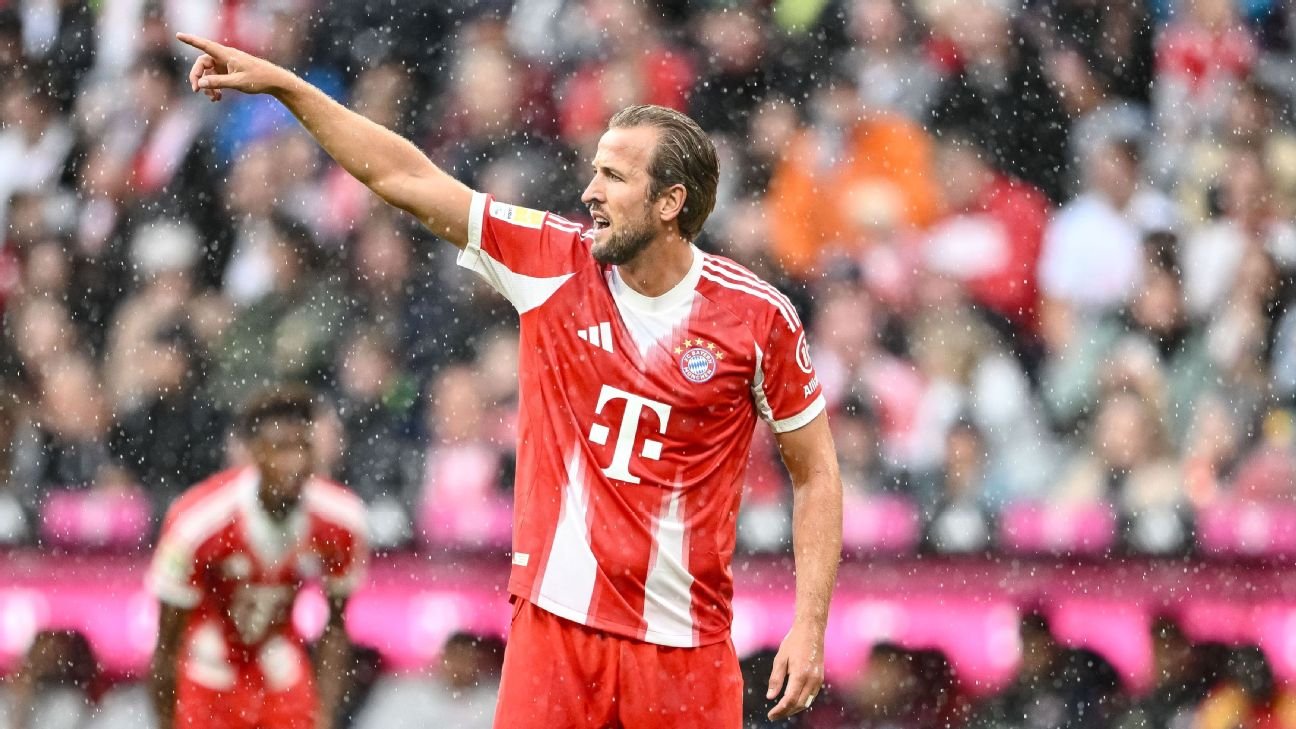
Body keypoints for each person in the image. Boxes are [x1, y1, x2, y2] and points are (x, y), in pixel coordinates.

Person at [174, 30, 842, 728]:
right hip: (555, 629)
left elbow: (817, 472)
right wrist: (290, 88)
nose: (590, 192)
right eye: (595, 171)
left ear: (671, 202)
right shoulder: (551, 260)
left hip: (684, 645)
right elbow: (404, 177)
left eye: (615, 178)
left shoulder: (758, 318)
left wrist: (810, 624)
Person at [146, 386, 368, 729]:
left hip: (278, 670)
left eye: (302, 447)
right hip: (208, 673)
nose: (294, 463)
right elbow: (167, 646)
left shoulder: (342, 519)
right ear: (253, 453)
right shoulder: (197, 523)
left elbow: (336, 629)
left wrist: (324, 716)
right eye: (280, 449)